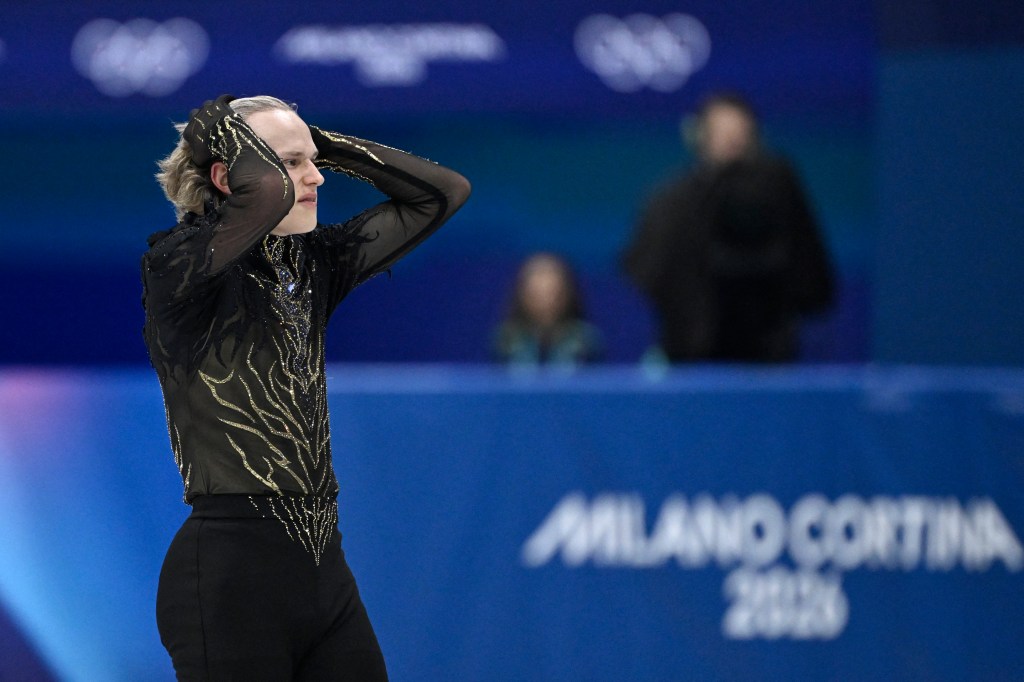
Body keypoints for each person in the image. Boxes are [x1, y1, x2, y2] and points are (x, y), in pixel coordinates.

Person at [142, 94, 470, 680]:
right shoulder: (178, 270)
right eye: (293, 163)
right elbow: (265, 195)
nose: (317, 176)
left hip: (324, 573)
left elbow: (442, 192)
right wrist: (223, 128)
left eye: (313, 160)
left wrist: (318, 140)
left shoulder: (312, 266)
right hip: (229, 579)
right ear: (226, 175)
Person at [622, 92, 834, 363]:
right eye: (722, 131)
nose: (733, 140)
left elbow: (812, 278)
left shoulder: (781, 188)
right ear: (698, 136)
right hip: (692, 355)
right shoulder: (670, 201)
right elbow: (646, 271)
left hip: (767, 356)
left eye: (740, 131)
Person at [493, 252, 603, 367]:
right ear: (522, 295)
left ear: (567, 293)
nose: (546, 301)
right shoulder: (506, 341)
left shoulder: (585, 341)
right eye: (536, 294)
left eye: (552, 293)